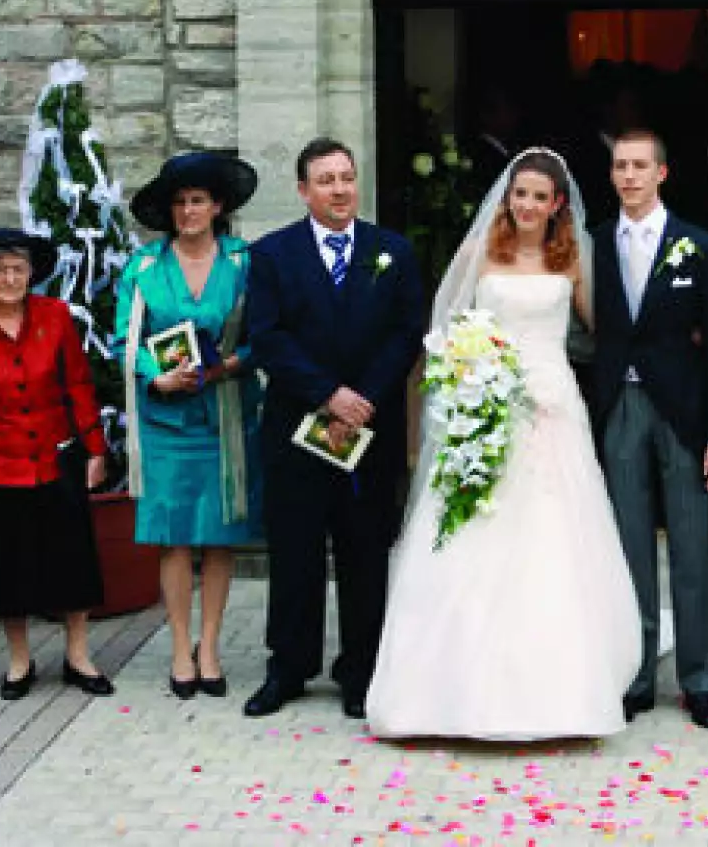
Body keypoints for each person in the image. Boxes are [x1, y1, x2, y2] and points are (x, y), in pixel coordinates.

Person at [365, 149, 642, 740]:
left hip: (551, 409)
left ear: (557, 204)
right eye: (521, 194)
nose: (528, 205)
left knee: (551, 536)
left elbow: (606, 333)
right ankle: (443, 692)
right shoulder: (478, 254)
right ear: (508, 196)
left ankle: (561, 693)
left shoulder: (571, 262)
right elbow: (444, 330)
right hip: (484, 406)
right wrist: (465, 385)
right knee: (468, 533)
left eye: (541, 197)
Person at [243, 138, 426, 720]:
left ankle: (361, 672)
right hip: (298, 427)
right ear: (303, 190)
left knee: (364, 551)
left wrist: (364, 397)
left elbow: (407, 331)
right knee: (295, 552)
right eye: (326, 180)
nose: (340, 189)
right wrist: (327, 394)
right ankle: (289, 668)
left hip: (370, 431)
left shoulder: (391, 251)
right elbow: (266, 337)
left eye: (347, 177)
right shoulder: (271, 255)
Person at [592, 129, 708, 730]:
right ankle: (638, 673)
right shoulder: (594, 244)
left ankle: (699, 679)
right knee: (627, 548)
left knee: (690, 548)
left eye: (638, 166)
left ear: (662, 173)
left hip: (684, 410)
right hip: (619, 404)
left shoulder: (702, 248)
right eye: (620, 166)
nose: (628, 176)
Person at [0, 229, 115, 700]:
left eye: (18, 269)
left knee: (72, 563)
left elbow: (77, 384)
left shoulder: (55, 317)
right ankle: (20, 661)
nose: (10, 278)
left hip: (56, 460)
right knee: (6, 569)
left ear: (32, 273)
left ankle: (78, 655)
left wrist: (95, 448)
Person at [118, 153, 262, 700]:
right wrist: (157, 379)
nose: (188, 211)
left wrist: (230, 364)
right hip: (167, 421)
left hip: (226, 413)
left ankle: (211, 645)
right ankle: (179, 647)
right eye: (179, 202)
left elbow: (265, 330)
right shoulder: (145, 268)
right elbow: (122, 340)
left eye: (198, 200)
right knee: (175, 537)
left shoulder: (245, 262)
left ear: (218, 206)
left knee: (220, 534)